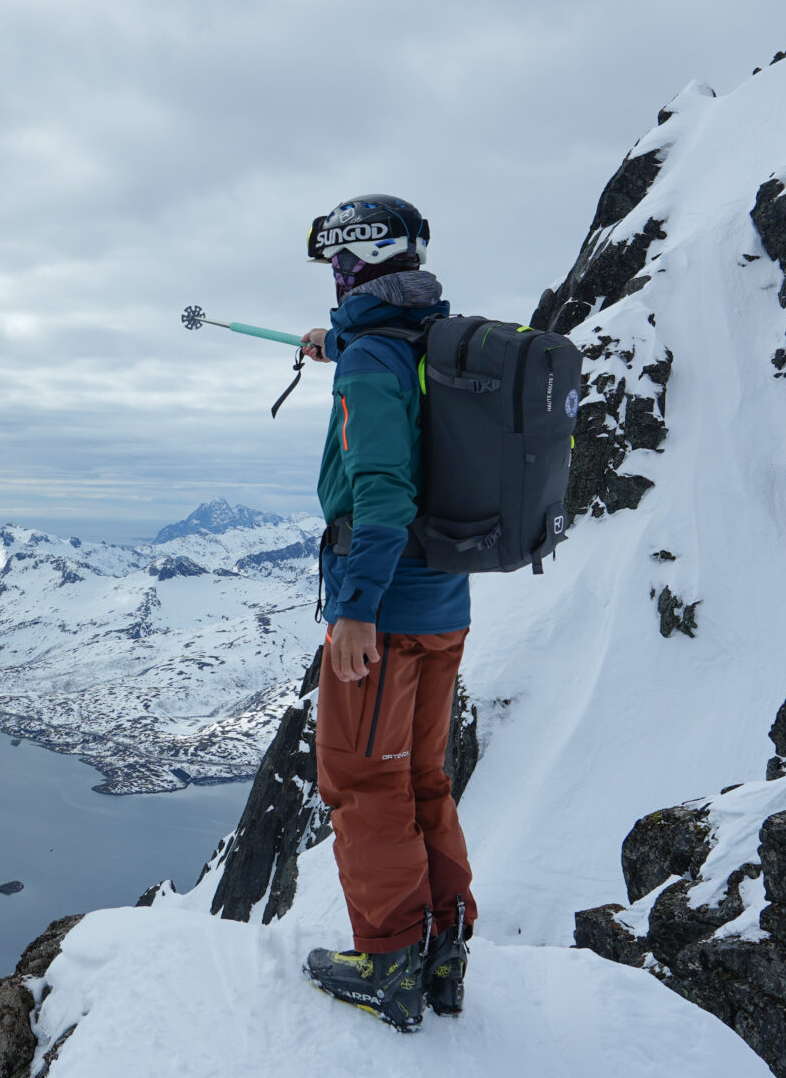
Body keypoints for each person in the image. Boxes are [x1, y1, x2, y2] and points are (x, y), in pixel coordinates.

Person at [296, 194, 476, 1033]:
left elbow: (380, 488)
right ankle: (441, 951)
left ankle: (390, 962)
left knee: (366, 782)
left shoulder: (372, 358)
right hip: (444, 603)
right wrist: (337, 344)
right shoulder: (430, 338)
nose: (334, 280)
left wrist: (357, 608)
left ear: (361, 259)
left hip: (387, 607)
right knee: (423, 778)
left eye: (338, 264)